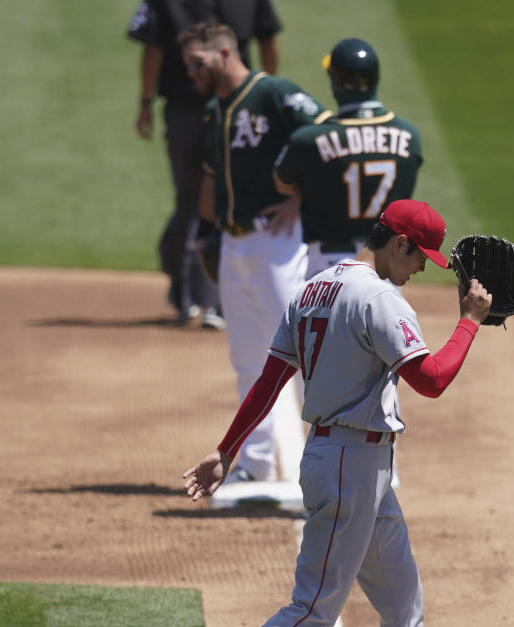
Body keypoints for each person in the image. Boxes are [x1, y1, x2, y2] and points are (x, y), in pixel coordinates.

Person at [167, 199, 504, 627]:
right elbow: (431, 380)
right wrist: (469, 321)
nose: (422, 268)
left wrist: (227, 450)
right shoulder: (379, 299)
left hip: (355, 464)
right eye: (419, 256)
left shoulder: (313, 289)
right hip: (350, 465)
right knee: (314, 609)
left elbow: (271, 379)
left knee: (402, 602)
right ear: (396, 242)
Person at [180, 21, 329, 482]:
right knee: (247, 359)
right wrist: (206, 231)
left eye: (198, 64)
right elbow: (210, 177)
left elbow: (327, 138)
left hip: (277, 243)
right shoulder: (214, 111)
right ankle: (256, 464)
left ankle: (328, 464)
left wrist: (299, 198)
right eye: (188, 66)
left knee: (305, 355)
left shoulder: (274, 94)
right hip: (233, 245)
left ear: (225, 52)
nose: (192, 73)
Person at [275, 38, 424, 280]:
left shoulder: (308, 139)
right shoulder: (409, 136)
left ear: (335, 83)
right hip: (384, 266)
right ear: (376, 78)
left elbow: (282, 182)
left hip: (327, 267)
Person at [129, 0, 225, 328]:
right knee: (208, 203)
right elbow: (267, 39)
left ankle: (193, 301)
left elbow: (153, 46)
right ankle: (203, 303)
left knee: (193, 204)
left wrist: (145, 102)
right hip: (206, 108)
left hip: (197, 110)